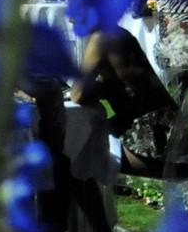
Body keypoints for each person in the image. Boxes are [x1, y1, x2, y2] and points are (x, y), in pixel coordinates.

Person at [74, 24, 179, 176]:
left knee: (76, 161)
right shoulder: (121, 34)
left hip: (154, 150)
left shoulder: (100, 38)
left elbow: (78, 95)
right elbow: (127, 83)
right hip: (176, 142)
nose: (70, 19)